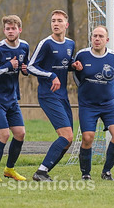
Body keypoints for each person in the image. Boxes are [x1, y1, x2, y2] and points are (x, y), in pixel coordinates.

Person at [28, 10, 77, 182]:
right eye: (53, 21)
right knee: (66, 136)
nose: (56, 23)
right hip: (48, 95)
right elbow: (31, 66)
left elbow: (65, 63)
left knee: (68, 140)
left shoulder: (70, 44)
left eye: (59, 21)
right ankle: (41, 172)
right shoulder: (46, 44)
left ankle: (44, 171)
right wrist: (51, 75)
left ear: (66, 25)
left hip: (63, 95)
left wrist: (74, 65)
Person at [72, 26, 114, 180]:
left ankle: (106, 171)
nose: (97, 39)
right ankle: (85, 174)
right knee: (88, 137)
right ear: (91, 38)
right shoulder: (82, 55)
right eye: (94, 36)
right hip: (88, 105)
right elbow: (77, 78)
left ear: (106, 40)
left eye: (101, 36)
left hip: (108, 104)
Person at [0, 15, 30, 182]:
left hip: (12, 98)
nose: (10, 31)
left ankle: (9, 170)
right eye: (8, 29)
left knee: (20, 133)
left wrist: (25, 70)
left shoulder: (24, 46)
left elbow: (25, 66)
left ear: (19, 30)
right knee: (4, 135)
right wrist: (7, 66)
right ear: (4, 31)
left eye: (13, 28)